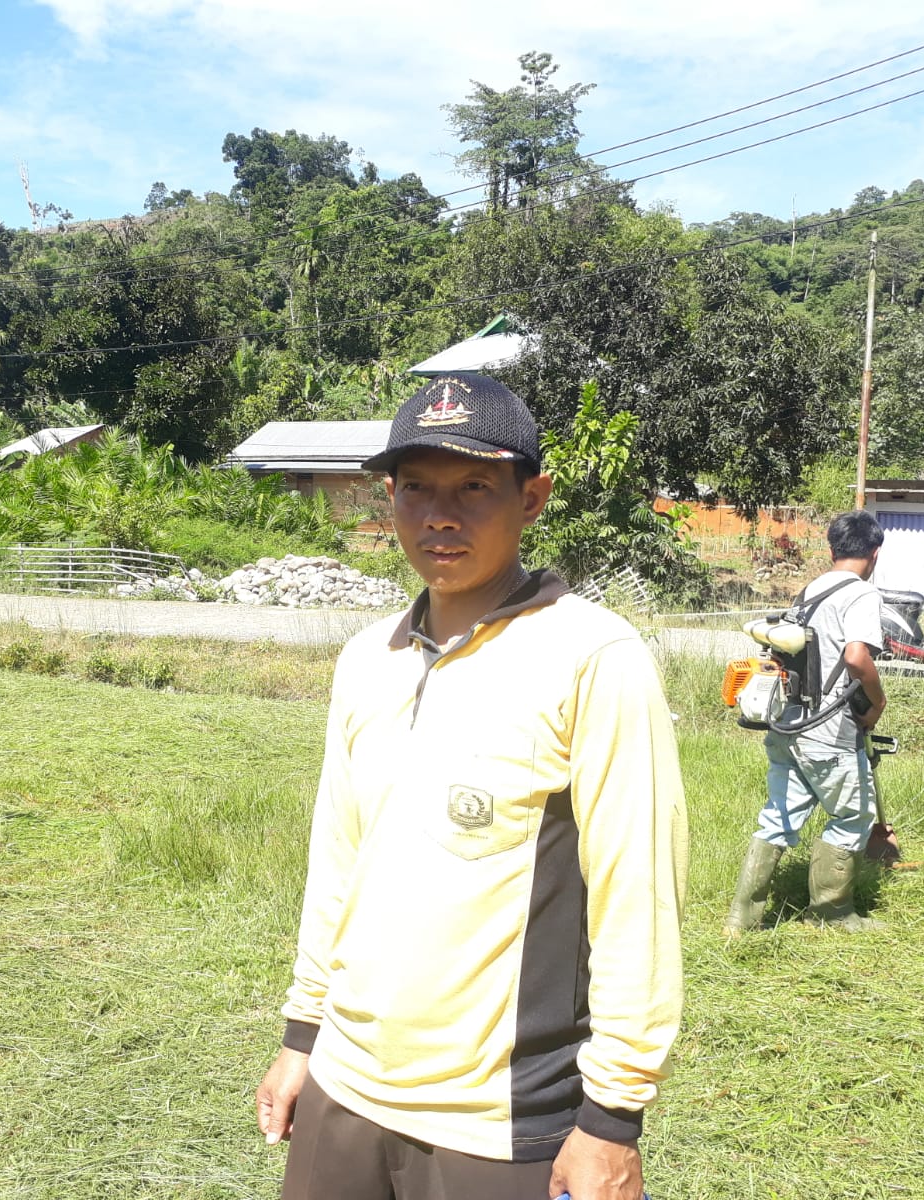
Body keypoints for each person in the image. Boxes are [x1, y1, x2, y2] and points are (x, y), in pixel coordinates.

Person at [256, 373, 687, 1200]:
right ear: (388, 498)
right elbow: (337, 864)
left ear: (533, 498)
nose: (440, 515)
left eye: (475, 487)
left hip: (499, 1118)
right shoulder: (366, 658)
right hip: (346, 1085)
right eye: (416, 487)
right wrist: (302, 1036)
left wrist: (612, 1118)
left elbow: (638, 896)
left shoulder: (592, 657)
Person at [722, 509, 887, 934]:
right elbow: (856, 657)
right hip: (828, 730)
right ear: (874, 552)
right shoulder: (862, 594)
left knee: (778, 817)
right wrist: (878, 702)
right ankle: (833, 914)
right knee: (851, 817)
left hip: (787, 725)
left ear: (832, 549)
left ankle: (742, 919)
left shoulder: (811, 590)